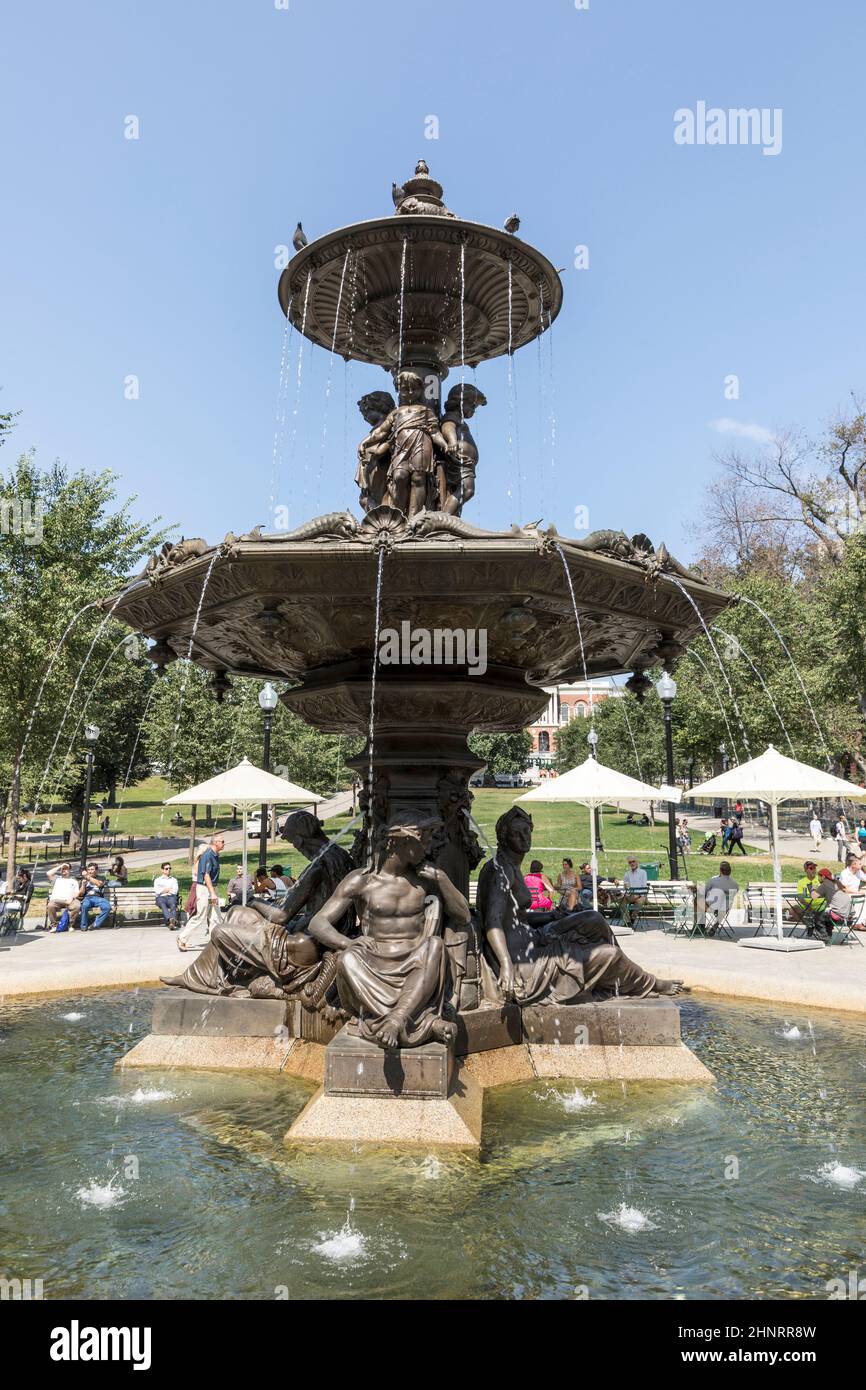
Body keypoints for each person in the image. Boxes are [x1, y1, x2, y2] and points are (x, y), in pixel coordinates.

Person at [476, 806, 685, 1005]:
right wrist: (505, 964)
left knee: (593, 918)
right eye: (516, 833)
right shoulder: (500, 870)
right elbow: (492, 922)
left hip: (533, 938)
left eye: (527, 831)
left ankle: (621, 977)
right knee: (609, 955)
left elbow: (515, 918)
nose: (524, 838)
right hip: (522, 959)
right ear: (504, 837)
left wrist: (550, 917)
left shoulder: (510, 866)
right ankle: (647, 983)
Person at [309, 811, 467, 1048]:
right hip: (373, 960)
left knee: (435, 945)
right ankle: (422, 1022)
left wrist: (442, 879)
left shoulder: (425, 879)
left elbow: (463, 915)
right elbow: (317, 923)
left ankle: (396, 1020)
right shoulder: (362, 881)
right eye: (422, 841)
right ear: (399, 842)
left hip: (416, 958)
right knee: (348, 959)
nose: (427, 848)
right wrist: (347, 943)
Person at [177, 834, 224, 951]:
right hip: (205, 888)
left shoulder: (215, 854)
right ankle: (182, 938)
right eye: (222, 841)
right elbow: (206, 875)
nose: (224, 844)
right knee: (200, 916)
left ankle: (215, 943)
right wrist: (212, 893)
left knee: (215, 917)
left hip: (212, 887)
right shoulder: (208, 855)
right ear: (215, 842)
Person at [810, 868, 850, 941]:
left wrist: (813, 888)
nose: (818, 878)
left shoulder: (825, 884)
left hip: (836, 915)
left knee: (817, 916)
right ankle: (828, 934)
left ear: (823, 877)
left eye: (819, 876)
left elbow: (814, 896)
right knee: (825, 914)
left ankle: (824, 937)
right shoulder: (837, 882)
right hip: (846, 914)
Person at [703, 862, 739, 935]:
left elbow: (704, 892)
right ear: (730, 871)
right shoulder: (735, 884)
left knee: (697, 901)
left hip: (711, 907)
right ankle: (715, 926)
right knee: (724, 905)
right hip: (725, 908)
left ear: (720, 870)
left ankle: (699, 928)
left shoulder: (713, 881)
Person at [45, 862, 81, 931]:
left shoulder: (73, 881)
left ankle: (70, 925)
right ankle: (54, 925)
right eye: (62, 869)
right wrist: (60, 866)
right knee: (50, 905)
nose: (64, 870)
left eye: (66, 869)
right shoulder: (56, 878)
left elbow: (76, 893)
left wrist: (71, 898)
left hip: (69, 900)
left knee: (77, 906)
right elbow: (48, 873)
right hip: (56, 900)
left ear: (69, 870)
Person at [79, 864, 112, 931]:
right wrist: (83, 885)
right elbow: (81, 894)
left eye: (92, 869)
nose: (90, 871)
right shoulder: (83, 879)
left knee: (107, 907)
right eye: (88, 869)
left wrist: (88, 877)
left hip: (98, 898)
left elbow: (99, 884)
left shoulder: (101, 878)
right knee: (84, 906)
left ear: (96, 870)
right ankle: (83, 926)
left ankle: (95, 924)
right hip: (87, 898)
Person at [792, 860, 823, 925]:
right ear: (806, 870)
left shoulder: (821, 879)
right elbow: (800, 898)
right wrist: (809, 907)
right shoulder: (801, 882)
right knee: (793, 909)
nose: (814, 870)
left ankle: (812, 924)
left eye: (814, 868)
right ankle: (809, 925)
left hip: (820, 906)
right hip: (806, 906)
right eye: (811, 868)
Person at [153, 862, 179, 929]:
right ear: (162, 870)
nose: (168, 870)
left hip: (171, 897)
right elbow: (157, 892)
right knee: (162, 904)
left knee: (173, 904)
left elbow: (175, 891)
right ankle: (171, 920)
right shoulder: (157, 880)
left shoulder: (174, 880)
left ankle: (171, 922)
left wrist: (163, 890)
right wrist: (168, 889)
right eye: (166, 868)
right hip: (161, 898)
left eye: (170, 868)